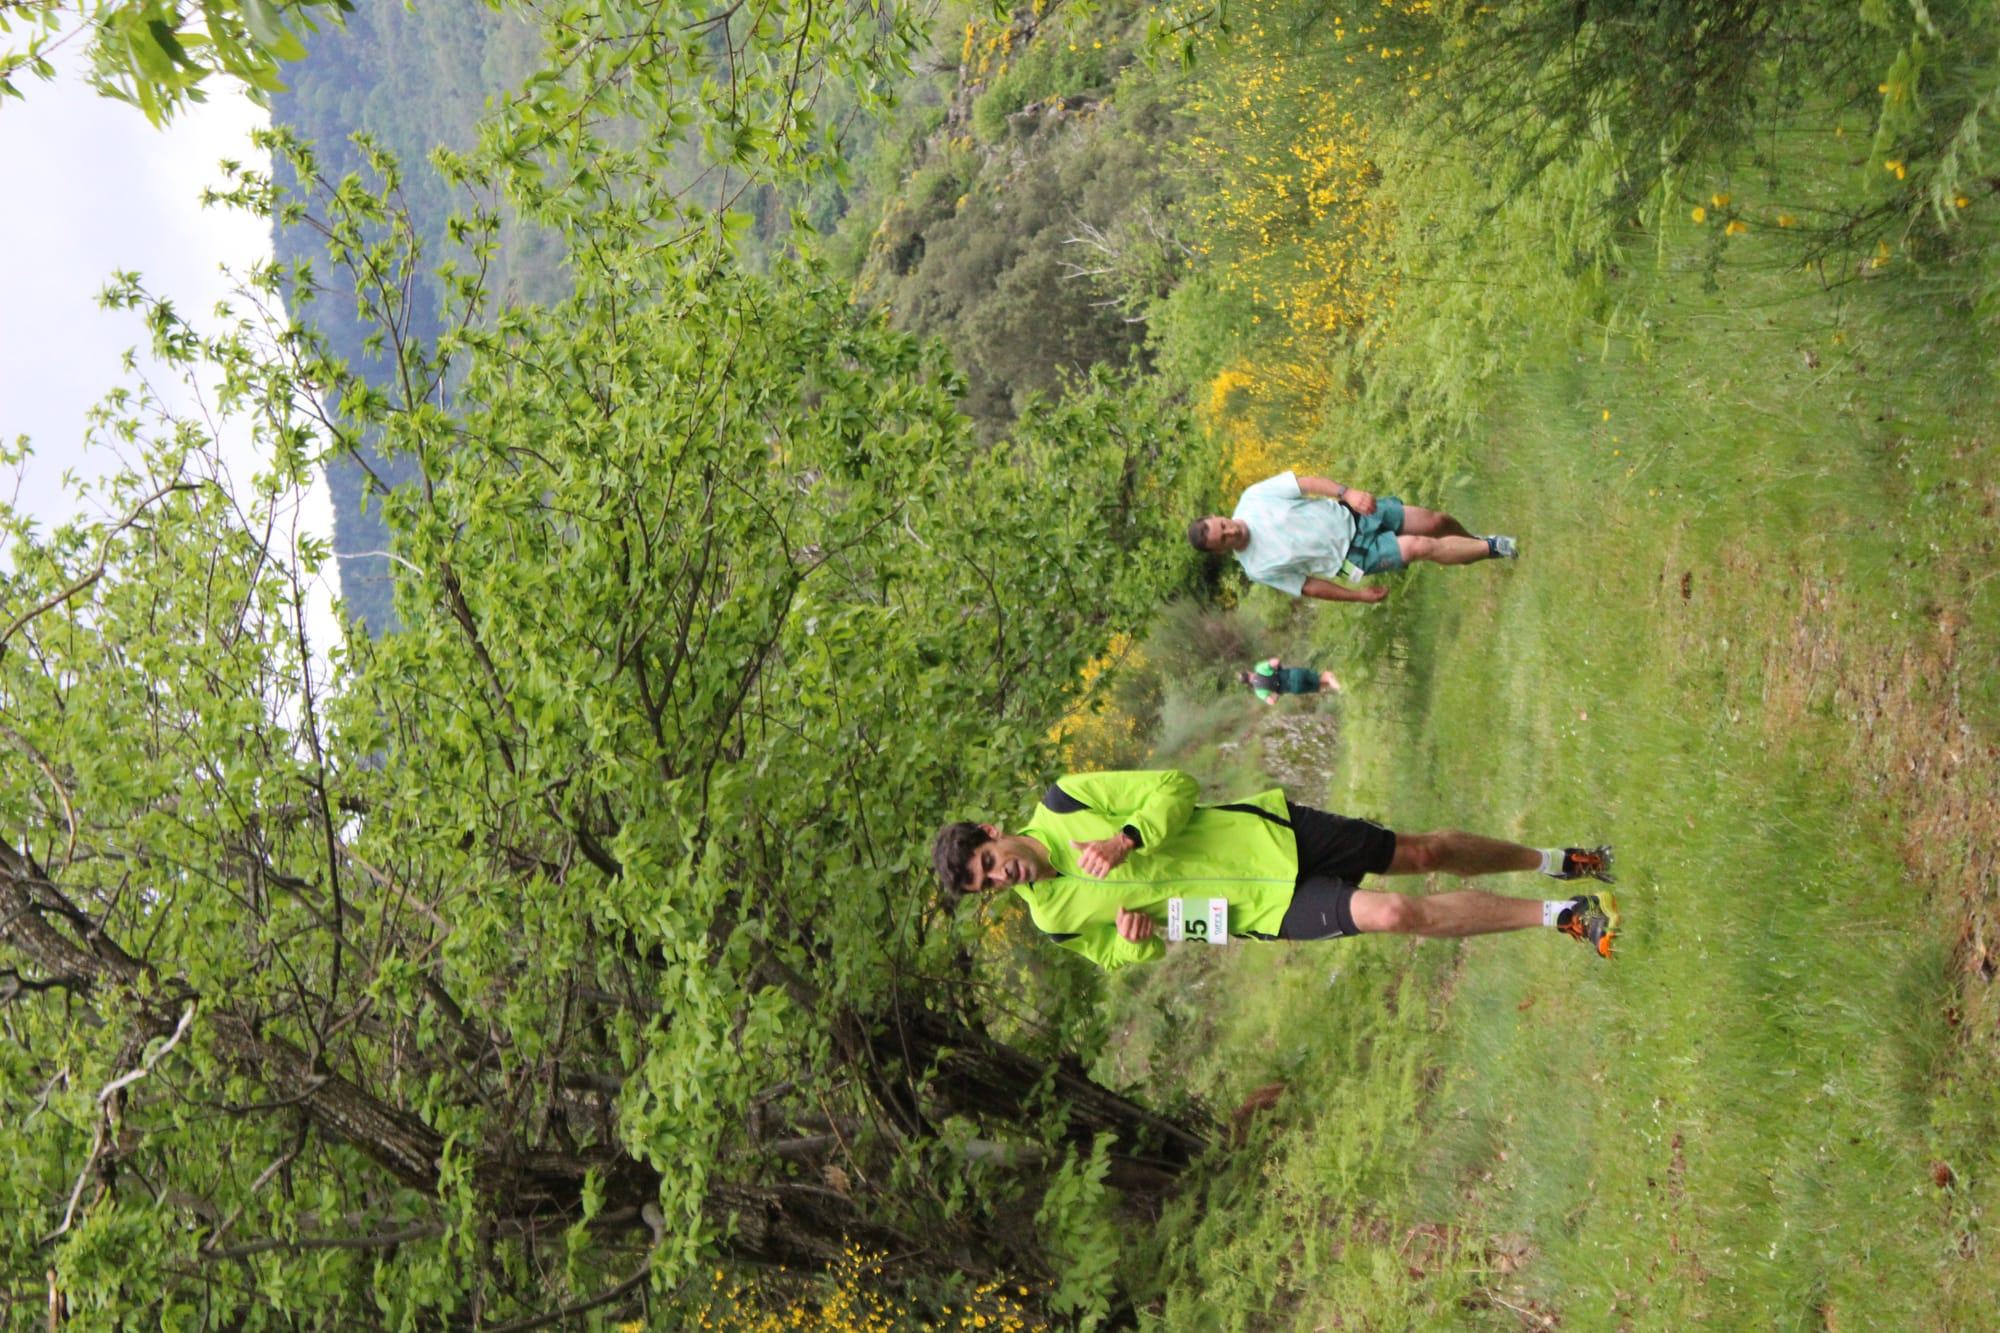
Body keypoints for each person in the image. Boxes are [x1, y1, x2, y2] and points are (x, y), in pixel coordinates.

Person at [931, 769, 1617, 971]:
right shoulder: (1051, 921)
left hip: (1267, 834)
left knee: (1422, 855)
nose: (999, 880)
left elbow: (1175, 786)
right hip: (1254, 911)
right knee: (1394, 913)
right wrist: (1135, 942)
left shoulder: (1064, 800)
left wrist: (1126, 838)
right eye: (985, 887)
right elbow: (1114, 955)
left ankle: (1556, 862)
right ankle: (1567, 916)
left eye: (988, 864)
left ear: (993, 833)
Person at [1187, 470, 1516, 604]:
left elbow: (1306, 484)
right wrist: (1357, 596)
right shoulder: (1257, 568)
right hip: (1353, 557)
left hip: (1355, 514)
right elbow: (1308, 586)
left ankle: (1473, 542)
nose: (1232, 530)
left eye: (1223, 524)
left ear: (1218, 516)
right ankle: (1495, 547)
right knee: (1421, 546)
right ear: (1220, 551)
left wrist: (1347, 493)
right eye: (1224, 538)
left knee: (1435, 522)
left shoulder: (1254, 498)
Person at [1240, 655, 1339, 704]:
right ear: (1249, 672)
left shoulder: (1258, 692)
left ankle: (1340, 685)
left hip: (1295, 689)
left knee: (1322, 685)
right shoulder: (1259, 668)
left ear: (1247, 683)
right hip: (1294, 675)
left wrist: (1276, 694)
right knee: (1326, 676)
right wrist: (1275, 666)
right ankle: (1341, 686)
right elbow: (1276, 661)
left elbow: (1271, 702)